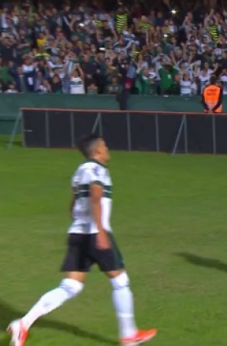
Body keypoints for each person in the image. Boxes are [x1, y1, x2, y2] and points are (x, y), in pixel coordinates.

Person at [7, 134, 157, 346]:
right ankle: (129, 335)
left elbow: (73, 203)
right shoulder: (97, 170)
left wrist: (79, 221)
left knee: (71, 286)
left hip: (77, 233)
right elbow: (95, 197)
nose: (107, 149)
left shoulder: (79, 171)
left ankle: (23, 324)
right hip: (96, 233)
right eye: (104, 146)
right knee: (120, 282)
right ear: (96, 151)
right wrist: (101, 232)